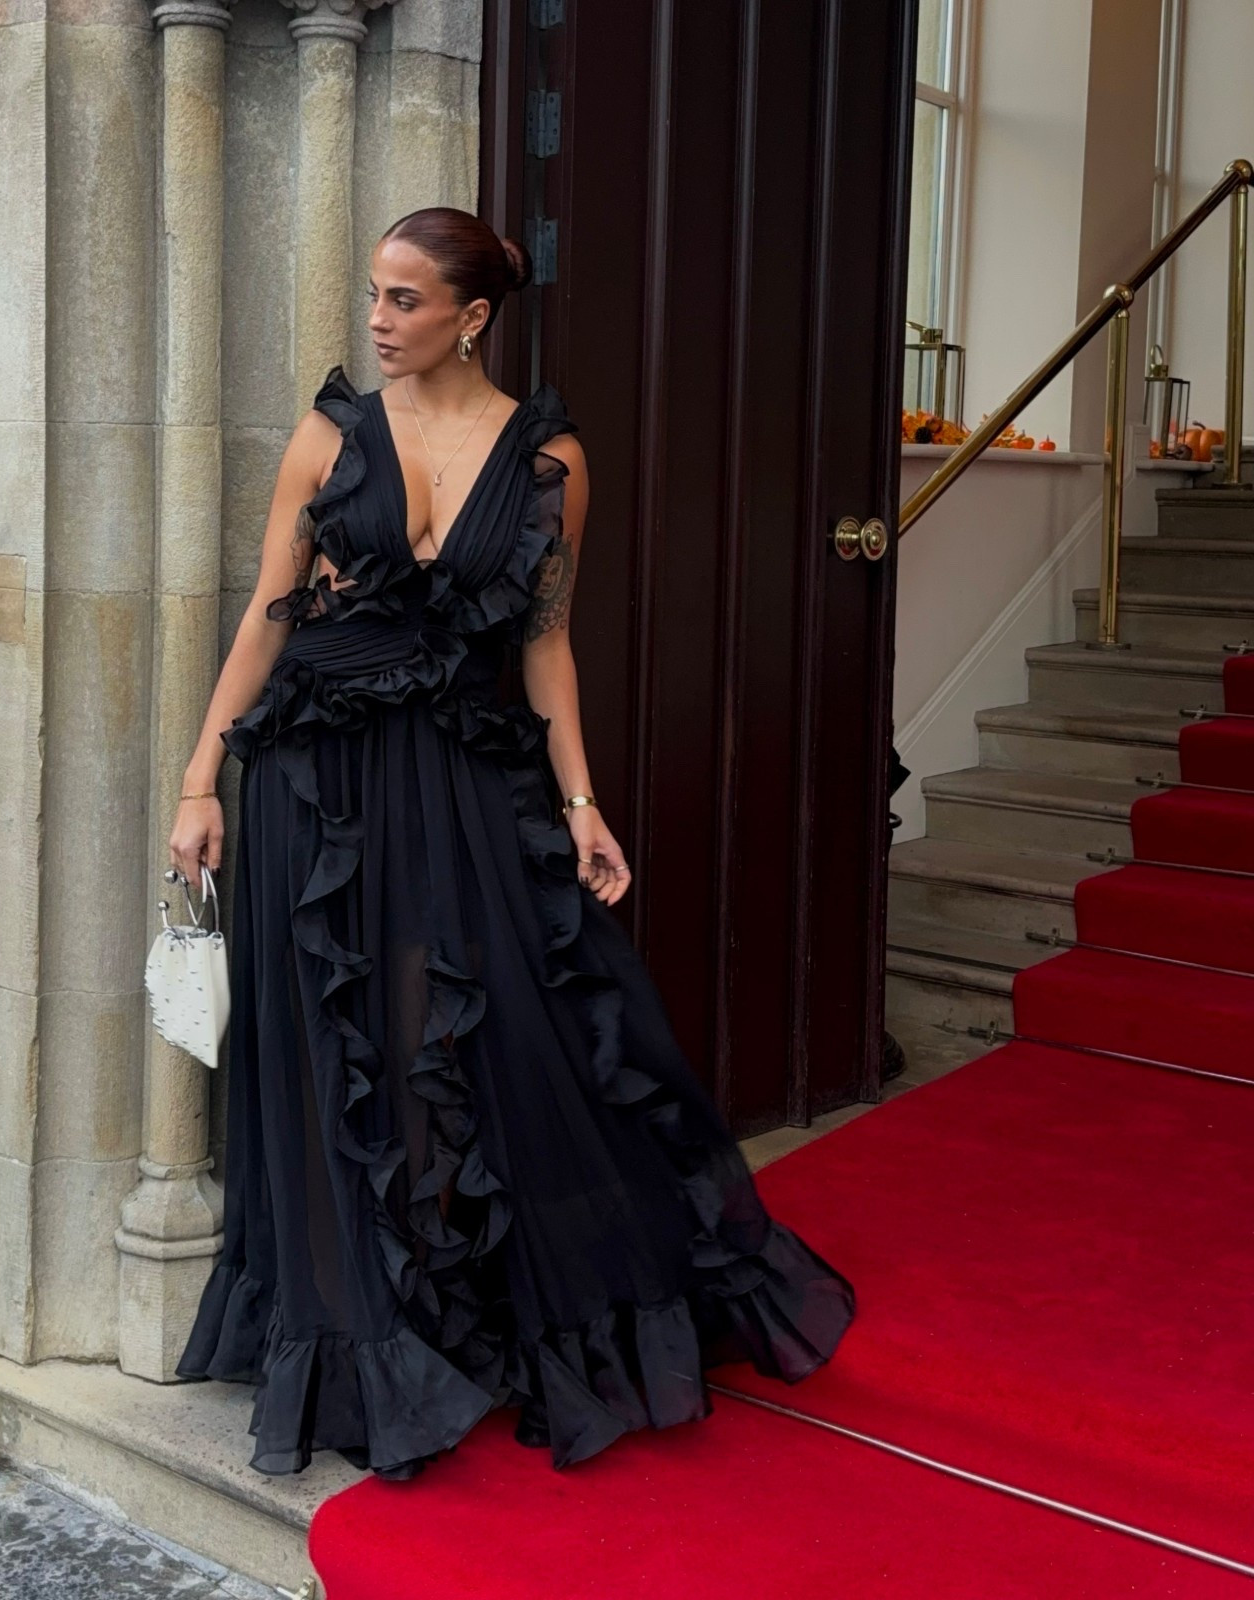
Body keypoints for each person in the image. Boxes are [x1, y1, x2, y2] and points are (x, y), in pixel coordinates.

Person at [168, 206, 853, 1480]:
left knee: (472, 1040)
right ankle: (358, 1343)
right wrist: (202, 775)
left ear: (472, 316)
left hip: (464, 779)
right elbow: (267, 616)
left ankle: (462, 1319)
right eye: (373, 293)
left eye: (405, 299)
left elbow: (544, 643)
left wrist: (583, 804)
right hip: (316, 781)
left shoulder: (550, 462)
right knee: (330, 1047)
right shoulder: (328, 437)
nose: (378, 318)